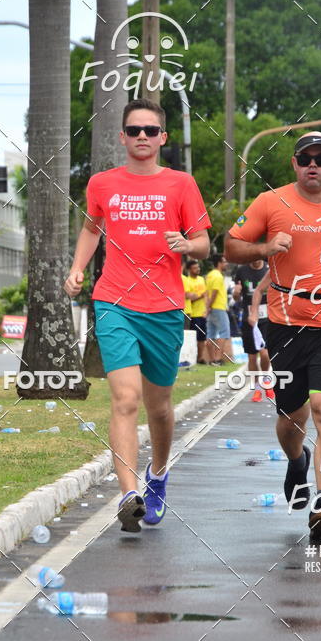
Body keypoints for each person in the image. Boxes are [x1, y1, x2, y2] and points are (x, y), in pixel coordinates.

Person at [64, 98, 211, 533]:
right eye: (134, 130)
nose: (142, 136)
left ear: (163, 137)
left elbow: (203, 240)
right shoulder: (103, 184)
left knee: (159, 406)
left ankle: (158, 475)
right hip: (114, 301)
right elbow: (92, 229)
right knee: (126, 399)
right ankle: (129, 494)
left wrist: (188, 246)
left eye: (150, 130)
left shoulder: (182, 184)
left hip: (164, 306)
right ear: (122, 137)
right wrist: (77, 269)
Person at [225, 131, 321, 539]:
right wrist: (265, 249)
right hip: (287, 323)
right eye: (305, 157)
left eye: (320, 158)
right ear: (294, 163)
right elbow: (231, 246)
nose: (313, 164)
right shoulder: (270, 202)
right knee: (293, 417)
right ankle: (296, 460)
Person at [234, 260, 274, 402]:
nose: (256, 261)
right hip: (249, 319)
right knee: (252, 356)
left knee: (264, 354)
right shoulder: (241, 270)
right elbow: (236, 297)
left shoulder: (269, 269)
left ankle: (266, 381)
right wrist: (236, 293)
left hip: (266, 318)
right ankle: (257, 388)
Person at [205, 254, 232, 365]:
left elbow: (207, 293)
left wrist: (207, 307)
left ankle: (211, 360)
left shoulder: (209, 275)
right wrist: (210, 306)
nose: (226, 264)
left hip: (211, 308)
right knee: (224, 333)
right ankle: (218, 359)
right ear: (219, 263)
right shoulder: (218, 276)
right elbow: (215, 293)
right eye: (224, 262)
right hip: (218, 307)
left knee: (210, 334)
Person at [184, 259, 208, 363]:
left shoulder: (202, 279)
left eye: (198, 267)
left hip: (203, 313)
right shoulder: (187, 280)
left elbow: (205, 295)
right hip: (193, 314)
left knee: (202, 337)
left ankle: (200, 358)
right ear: (189, 270)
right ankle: (192, 357)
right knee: (193, 338)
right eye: (195, 268)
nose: (198, 269)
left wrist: (207, 309)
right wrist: (200, 296)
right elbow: (189, 298)